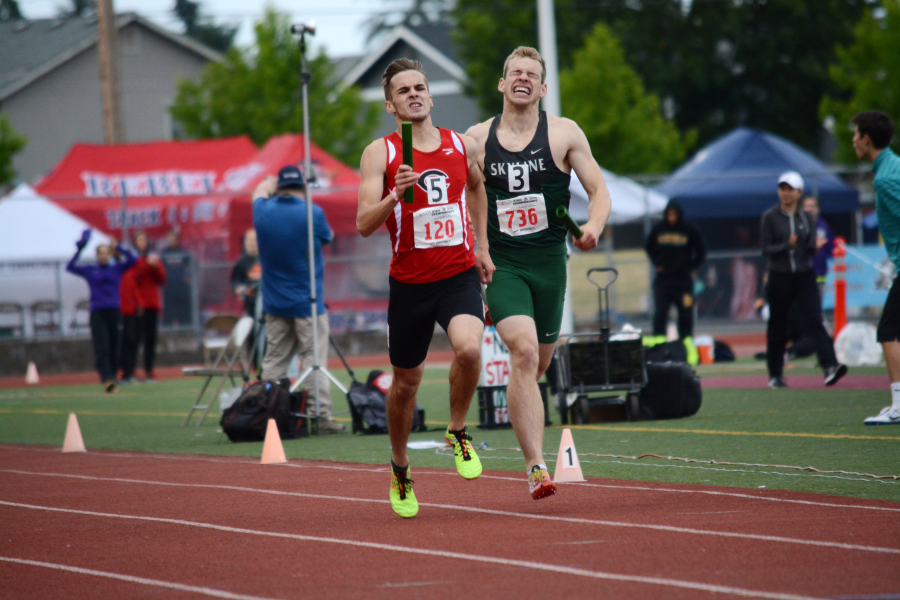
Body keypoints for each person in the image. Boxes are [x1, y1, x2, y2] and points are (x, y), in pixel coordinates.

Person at [467, 46, 611, 500]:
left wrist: (592, 226)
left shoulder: (565, 133)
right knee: (525, 353)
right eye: (516, 72)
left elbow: (599, 189)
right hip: (502, 263)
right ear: (502, 83)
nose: (523, 78)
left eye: (532, 73)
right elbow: (457, 194)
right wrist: (478, 247)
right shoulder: (474, 138)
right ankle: (536, 467)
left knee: (539, 363)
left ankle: (531, 446)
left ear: (543, 87)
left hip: (550, 263)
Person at [357, 58, 492, 518]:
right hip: (410, 284)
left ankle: (456, 430)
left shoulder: (461, 144)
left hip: (456, 274)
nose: (413, 94)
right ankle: (399, 467)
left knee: (470, 350)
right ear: (391, 105)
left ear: (431, 96)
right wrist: (394, 194)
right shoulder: (381, 153)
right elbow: (362, 224)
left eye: (419, 87)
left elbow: (478, 189)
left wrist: (482, 247)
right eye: (403, 91)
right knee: (404, 387)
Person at [253, 165, 345, 435]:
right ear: (303, 187)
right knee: (313, 359)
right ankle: (319, 416)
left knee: (274, 362)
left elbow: (259, 190)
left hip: (274, 302)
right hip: (307, 301)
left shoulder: (261, 210)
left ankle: (268, 414)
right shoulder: (311, 212)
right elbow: (327, 238)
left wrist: (268, 181)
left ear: (279, 186)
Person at [760, 171, 846, 389]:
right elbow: (766, 248)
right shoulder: (770, 217)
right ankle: (775, 374)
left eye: (790, 189)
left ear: (799, 192)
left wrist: (812, 246)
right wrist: (785, 246)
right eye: (782, 189)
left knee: (815, 319)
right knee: (777, 325)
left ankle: (829, 366)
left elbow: (806, 249)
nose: (785, 193)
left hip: (804, 275)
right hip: (780, 275)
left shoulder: (806, 218)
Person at [851, 111, 900, 425]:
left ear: (866, 139)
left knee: (888, 331)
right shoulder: (892, 164)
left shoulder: (884, 179)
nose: (853, 140)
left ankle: (898, 405)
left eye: (856, 135)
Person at [66, 230, 136, 392]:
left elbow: (133, 261)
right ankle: (107, 379)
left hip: (114, 312)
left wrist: (119, 247)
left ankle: (113, 376)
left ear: (110, 255)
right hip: (98, 313)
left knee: (115, 348)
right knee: (102, 347)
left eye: (107, 253)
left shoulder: (117, 269)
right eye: (101, 253)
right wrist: (80, 248)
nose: (104, 256)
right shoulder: (91, 270)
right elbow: (70, 267)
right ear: (97, 255)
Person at [645, 199, 706, 363]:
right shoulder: (659, 229)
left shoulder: (688, 230)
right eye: (669, 214)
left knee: (686, 314)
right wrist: (657, 263)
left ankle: (686, 348)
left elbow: (701, 250)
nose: (672, 218)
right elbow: (649, 246)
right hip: (664, 281)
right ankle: (659, 350)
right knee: (661, 313)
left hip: (683, 282)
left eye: (674, 214)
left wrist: (692, 266)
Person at [120, 230, 167, 382]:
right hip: (138, 304)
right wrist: (146, 266)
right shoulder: (133, 260)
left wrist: (155, 267)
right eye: (139, 240)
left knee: (151, 339)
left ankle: (149, 369)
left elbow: (161, 279)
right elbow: (134, 279)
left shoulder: (154, 258)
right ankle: (130, 369)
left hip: (152, 304)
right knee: (134, 339)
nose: (142, 242)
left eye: (144, 239)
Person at [160, 230, 193, 328]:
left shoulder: (183, 253)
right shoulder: (164, 255)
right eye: (169, 239)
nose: (171, 241)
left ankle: (186, 334)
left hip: (182, 289)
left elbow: (192, 266)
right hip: (168, 289)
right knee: (168, 315)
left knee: (184, 315)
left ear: (177, 240)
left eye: (173, 239)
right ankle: (168, 336)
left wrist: (188, 278)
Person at [231, 229, 262, 317]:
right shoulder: (242, 262)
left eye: (254, 240)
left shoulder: (265, 260)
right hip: (249, 308)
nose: (252, 243)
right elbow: (235, 283)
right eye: (249, 240)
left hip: (265, 306)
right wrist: (241, 290)